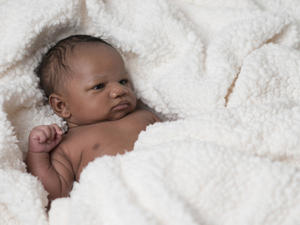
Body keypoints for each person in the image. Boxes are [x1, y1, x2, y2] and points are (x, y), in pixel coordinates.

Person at [26, 35, 160, 203]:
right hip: (120, 200)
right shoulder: (68, 146)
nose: (119, 90)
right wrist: (38, 154)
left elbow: (179, 137)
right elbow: (53, 194)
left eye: (123, 81)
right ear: (62, 106)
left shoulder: (144, 116)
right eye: (99, 86)